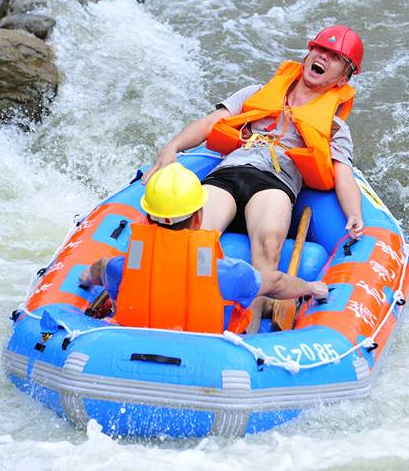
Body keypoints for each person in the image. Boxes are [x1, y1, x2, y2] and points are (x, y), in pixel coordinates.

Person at [140, 25, 366, 332]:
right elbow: (211, 123)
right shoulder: (255, 94)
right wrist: (172, 148)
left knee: (269, 246)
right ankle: (168, 316)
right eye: (320, 50)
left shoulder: (336, 126)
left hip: (275, 183)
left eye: (334, 57)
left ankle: (248, 331)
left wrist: (354, 213)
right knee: (187, 238)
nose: (323, 57)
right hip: (228, 174)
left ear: (343, 77)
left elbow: (343, 173)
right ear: (308, 54)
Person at [80, 163, 328, 334]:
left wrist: (87, 278)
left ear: (148, 215)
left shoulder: (120, 268)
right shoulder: (226, 273)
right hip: (205, 356)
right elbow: (275, 283)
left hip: (128, 351)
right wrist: (312, 288)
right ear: (199, 217)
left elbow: (99, 268)